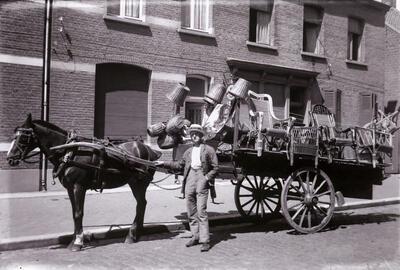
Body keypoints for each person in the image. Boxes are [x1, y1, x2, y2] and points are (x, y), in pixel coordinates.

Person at [155, 124, 218, 252]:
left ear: (201, 136)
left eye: (196, 133)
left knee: (201, 211)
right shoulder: (188, 152)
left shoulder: (209, 150)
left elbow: (216, 167)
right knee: (191, 210)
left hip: (202, 177)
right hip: (189, 178)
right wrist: (163, 163)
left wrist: (206, 178)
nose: (194, 135)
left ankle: (205, 240)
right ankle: (195, 236)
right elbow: (179, 165)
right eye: (192, 133)